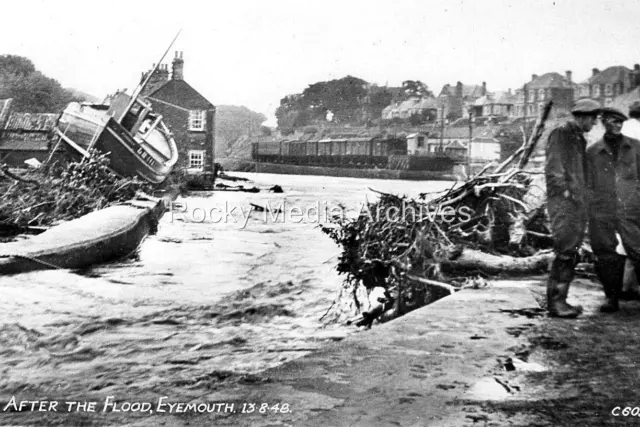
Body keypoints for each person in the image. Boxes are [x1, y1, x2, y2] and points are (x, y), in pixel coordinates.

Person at [545, 98, 600, 318]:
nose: (595, 123)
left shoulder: (576, 137)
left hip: (575, 204)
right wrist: (568, 195)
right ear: (582, 117)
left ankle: (561, 300)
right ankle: (556, 303)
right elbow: (554, 170)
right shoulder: (562, 134)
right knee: (565, 253)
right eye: (593, 118)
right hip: (565, 204)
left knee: (570, 252)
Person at [587, 107, 640, 312]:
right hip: (602, 211)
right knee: (605, 254)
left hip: (631, 208)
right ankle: (611, 297)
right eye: (613, 121)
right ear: (604, 122)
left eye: (620, 122)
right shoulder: (593, 151)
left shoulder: (635, 147)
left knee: (637, 250)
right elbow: (588, 183)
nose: (617, 126)